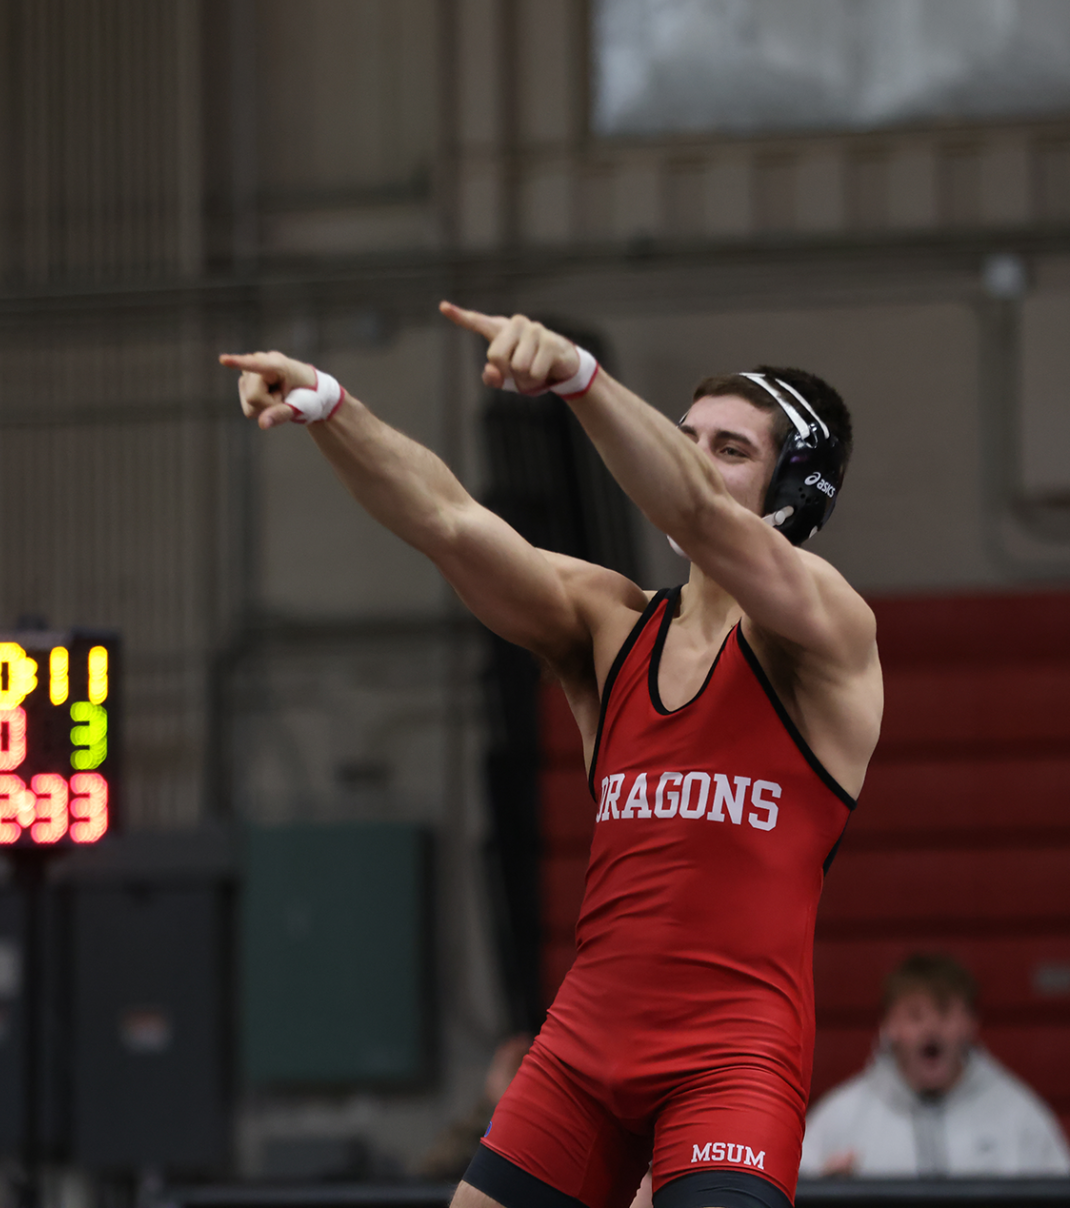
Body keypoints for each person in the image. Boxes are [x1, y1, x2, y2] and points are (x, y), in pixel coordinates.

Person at [222, 304, 882, 1208]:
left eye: (729, 449)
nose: (691, 459)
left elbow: (688, 503)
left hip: (730, 1059)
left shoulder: (826, 632)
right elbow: (451, 524)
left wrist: (577, 376)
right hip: (584, 1049)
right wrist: (331, 407)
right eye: (685, 436)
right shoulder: (610, 626)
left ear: (793, 493)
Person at [798, 952, 1070, 1176]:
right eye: (915, 1015)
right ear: (889, 1025)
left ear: (970, 1023)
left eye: (944, 1013)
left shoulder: (1019, 1114)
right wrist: (825, 1191)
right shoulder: (841, 1118)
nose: (930, 1028)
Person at [419, 1036, 535, 1182]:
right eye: (507, 1067)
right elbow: (431, 1171)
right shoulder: (470, 1131)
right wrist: (496, 1105)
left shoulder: (545, 1132)